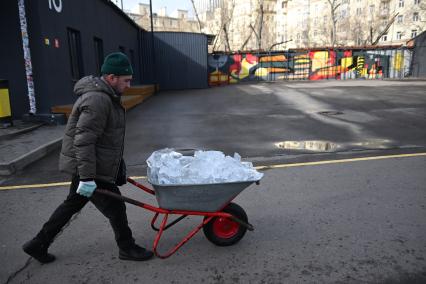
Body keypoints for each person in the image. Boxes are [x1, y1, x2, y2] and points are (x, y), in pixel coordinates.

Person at [22, 52, 154, 263]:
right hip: (91, 169)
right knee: (116, 208)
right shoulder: (98, 100)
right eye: (126, 80)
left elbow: (104, 139)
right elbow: (84, 141)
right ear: (111, 78)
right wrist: (86, 178)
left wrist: (115, 166)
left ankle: (38, 244)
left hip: (91, 166)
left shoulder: (106, 96)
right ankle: (127, 248)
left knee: (71, 205)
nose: (129, 85)